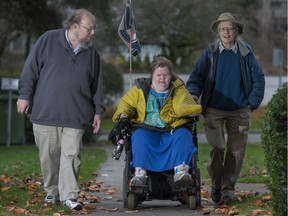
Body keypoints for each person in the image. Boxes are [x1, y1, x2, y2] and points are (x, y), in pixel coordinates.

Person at [16, 9, 105, 210]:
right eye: (89, 28)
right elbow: (30, 69)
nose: (92, 33)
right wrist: (24, 96)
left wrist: (98, 110)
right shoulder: (48, 40)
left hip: (76, 114)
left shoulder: (91, 51)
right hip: (45, 112)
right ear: (74, 26)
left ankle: (69, 196)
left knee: (71, 156)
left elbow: (97, 83)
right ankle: (52, 191)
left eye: (93, 29)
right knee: (49, 157)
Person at [186, 12, 265, 204]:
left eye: (229, 28)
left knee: (235, 151)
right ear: (218, 32)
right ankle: (216, 184)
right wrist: (194, 95)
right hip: (213, 109)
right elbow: (196, 77)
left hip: (240, 110)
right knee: (217, 148)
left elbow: (258, 79)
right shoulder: (210, 52)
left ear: (236, 30)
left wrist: (251, 104)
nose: (226, 32)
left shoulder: (246, 52)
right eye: (222, 29)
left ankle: (228, 189)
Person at [111, 55, 202, 188]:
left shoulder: (179, 89)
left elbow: (187, 105)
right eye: (158, 75)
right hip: (148, 129)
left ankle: (181, 171)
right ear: (152, 75)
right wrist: (123, 116)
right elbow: (126, 104)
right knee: (138, 135)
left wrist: (192, 110)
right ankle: (140, 173)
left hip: (172, 129)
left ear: (171, 75)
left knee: (183, 134)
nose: (162, 78)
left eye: (165, 75)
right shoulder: (140, 90)